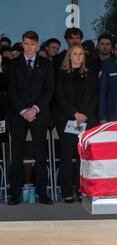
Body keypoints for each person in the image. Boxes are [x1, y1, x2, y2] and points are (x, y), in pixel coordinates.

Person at [7, 31, 54, 205]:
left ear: (37, 44)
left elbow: (49, 90)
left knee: (41, 155)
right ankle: (15, 194)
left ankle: (42, 193)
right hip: (18, 115)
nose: (29, 47)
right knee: (16, 155)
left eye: (32, 44)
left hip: (39, 114)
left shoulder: (46, 64)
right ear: (22, 43)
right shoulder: (13, 64)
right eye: (26, 44)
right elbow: (11, 90)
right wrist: (22, 111)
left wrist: (34, 109)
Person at [54, 44, 98, 203]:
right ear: (69, 56)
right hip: (67, 119)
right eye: (75, 54)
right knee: (66, 156)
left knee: (83, 157)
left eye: (81, 54)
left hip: (87, 119)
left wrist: (84, 114)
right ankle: (67, 191)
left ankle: (82, 190)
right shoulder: (61, 74)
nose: (78, 56)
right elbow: (59, 96)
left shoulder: (91, 74)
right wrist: (75, 114)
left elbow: (94, 96)